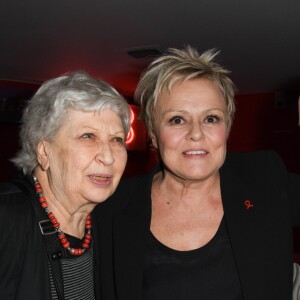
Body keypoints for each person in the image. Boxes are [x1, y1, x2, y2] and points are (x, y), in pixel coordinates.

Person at [99, 46, 300, 299]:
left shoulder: (265, 179)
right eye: (177, 120)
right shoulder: (113, 205)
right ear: (152, 132)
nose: (196, 133)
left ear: (227, 126)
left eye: (211, 118)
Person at [0, 71, 130, 300]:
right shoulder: (7, 217)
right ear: (44, 151)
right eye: (88, 136)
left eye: (117, 139)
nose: (109, 157)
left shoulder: (110, 224)